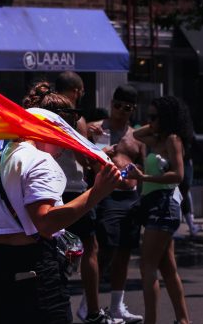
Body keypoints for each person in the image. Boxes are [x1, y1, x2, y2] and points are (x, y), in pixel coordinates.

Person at [0, 106, 123, 324]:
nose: (61, 151)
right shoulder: (40, 161)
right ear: (43, 133)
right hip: (35, 277)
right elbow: (45, 222)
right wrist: (97, 193)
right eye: (59, 141)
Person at [33, 77, 104, 323]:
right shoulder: (75, 119)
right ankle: (92, 309)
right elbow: (85, 159)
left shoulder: (41, 113)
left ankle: (53, 296)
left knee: (50, 247)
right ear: (77, 91)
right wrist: (101, 154)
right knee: (89, 249)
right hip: (73, 188)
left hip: (46, 188)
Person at [127, 96, 192, 324]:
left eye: (154, 117)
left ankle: (151, 321)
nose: (149, 121)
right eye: (148, 116)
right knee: (167, 266)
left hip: (164, 203)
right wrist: (155, 122)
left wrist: (144, 176)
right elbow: (136, 134)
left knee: (147, 266)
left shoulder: (173, 139)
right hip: (157, 203)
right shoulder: (156, 139)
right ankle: (183, 320)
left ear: (166, 119)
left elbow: (178, 174)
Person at [87, 84, 144, 323]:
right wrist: (96, 148)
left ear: (133, 109)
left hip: (129, 197)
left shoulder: (137, 136)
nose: (121, 111)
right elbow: (86, 162)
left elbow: (143, 167)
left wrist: (137, 175)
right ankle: (89, 305)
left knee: (124, 252)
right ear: (111, 103)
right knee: (104, 250)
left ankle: (117, 306)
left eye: (127, 108)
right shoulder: (96, 129)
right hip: (106, 195)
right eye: (118, 105)